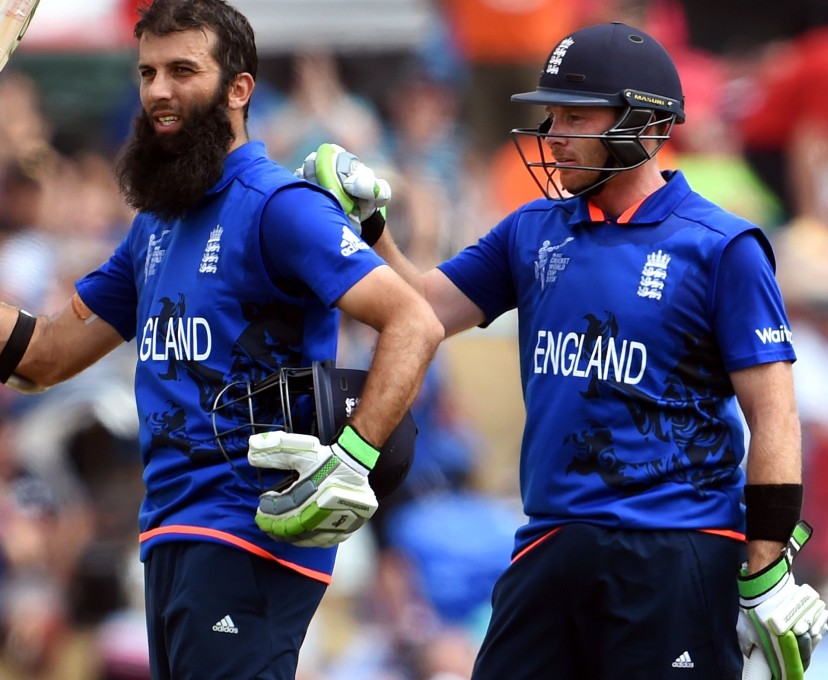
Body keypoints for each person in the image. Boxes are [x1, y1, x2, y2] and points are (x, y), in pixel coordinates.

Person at [0, 1, 443, 679]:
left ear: (239, 89)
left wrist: (354, 457)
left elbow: (414, 320)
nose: (158, 90)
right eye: (148, 71)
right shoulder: (157, 225)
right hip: (170, 535)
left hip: (250, 533)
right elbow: (46, 354)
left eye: (183, 70)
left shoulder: (280, 207)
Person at [299, 22, 828, 680]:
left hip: (674, 547)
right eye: (551, 116)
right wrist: (365, 229)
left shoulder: (722, 247)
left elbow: (774, 415)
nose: (552, 135)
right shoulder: (530, 231)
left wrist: (768, 564)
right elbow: (421, 310)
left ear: (649, 126)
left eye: (576, 116)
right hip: (551, 538)